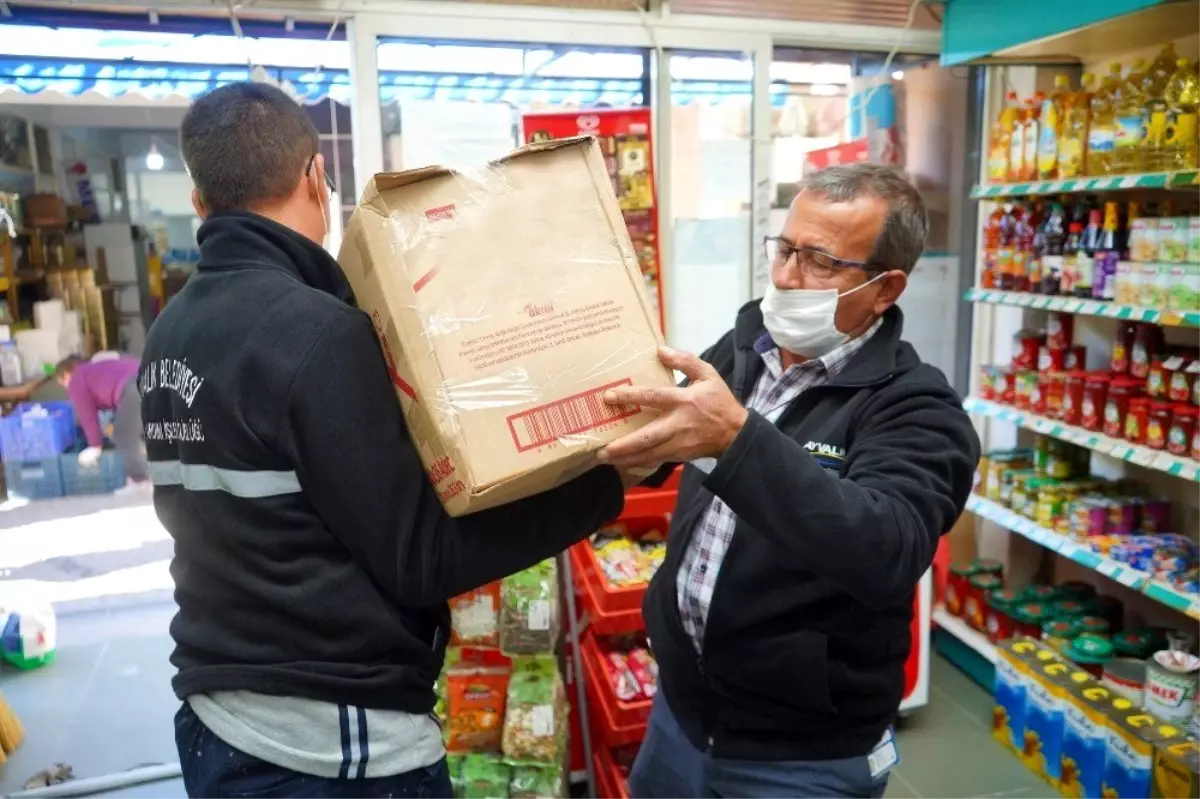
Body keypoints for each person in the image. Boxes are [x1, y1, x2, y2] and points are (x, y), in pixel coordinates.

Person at [145, 82, 628, 798]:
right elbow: (422, 559)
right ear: (315, 175)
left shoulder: (170, 332)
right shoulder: (313, 333)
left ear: (198, 199)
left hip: (218, 719)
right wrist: (606, 481)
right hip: (332, 744)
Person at [600, 164, 981, 798]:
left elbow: (885, 549)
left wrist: (735, 441)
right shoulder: (747, 346)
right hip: (680, 713)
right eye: (783, 249)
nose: (784, 276)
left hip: (800, 755)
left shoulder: (918, 408)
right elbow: (674, 448)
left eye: (820, 261)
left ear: (886, 290)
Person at [54, 354, 148, 489]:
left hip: (135, 387)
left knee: (122, 435)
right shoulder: (95, 368)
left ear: (65, 375)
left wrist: (95, 446)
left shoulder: (76, 380)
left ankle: (140, 483)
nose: (66, 388)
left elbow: (87, 415)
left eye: (63, 384)